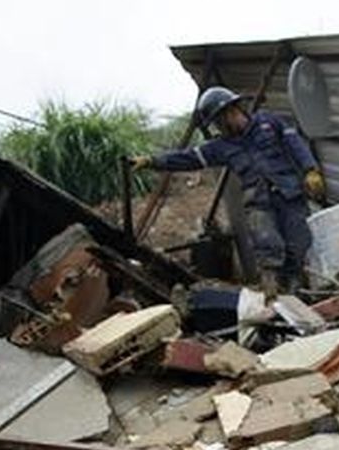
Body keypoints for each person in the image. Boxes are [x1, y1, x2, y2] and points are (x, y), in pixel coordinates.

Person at [133, 85, 325, 295]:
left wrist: (310, 170)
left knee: (298, 246)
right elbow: (187, 158)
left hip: (289, 195)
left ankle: (297, 292)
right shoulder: (220, 147)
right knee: (268, 249)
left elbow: (294, 143)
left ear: (233, 109)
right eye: (218, 122)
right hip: (259, 203)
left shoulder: (269, 122)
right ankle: (273, 296)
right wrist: (152, 161)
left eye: (223, 119)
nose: (221, 125)